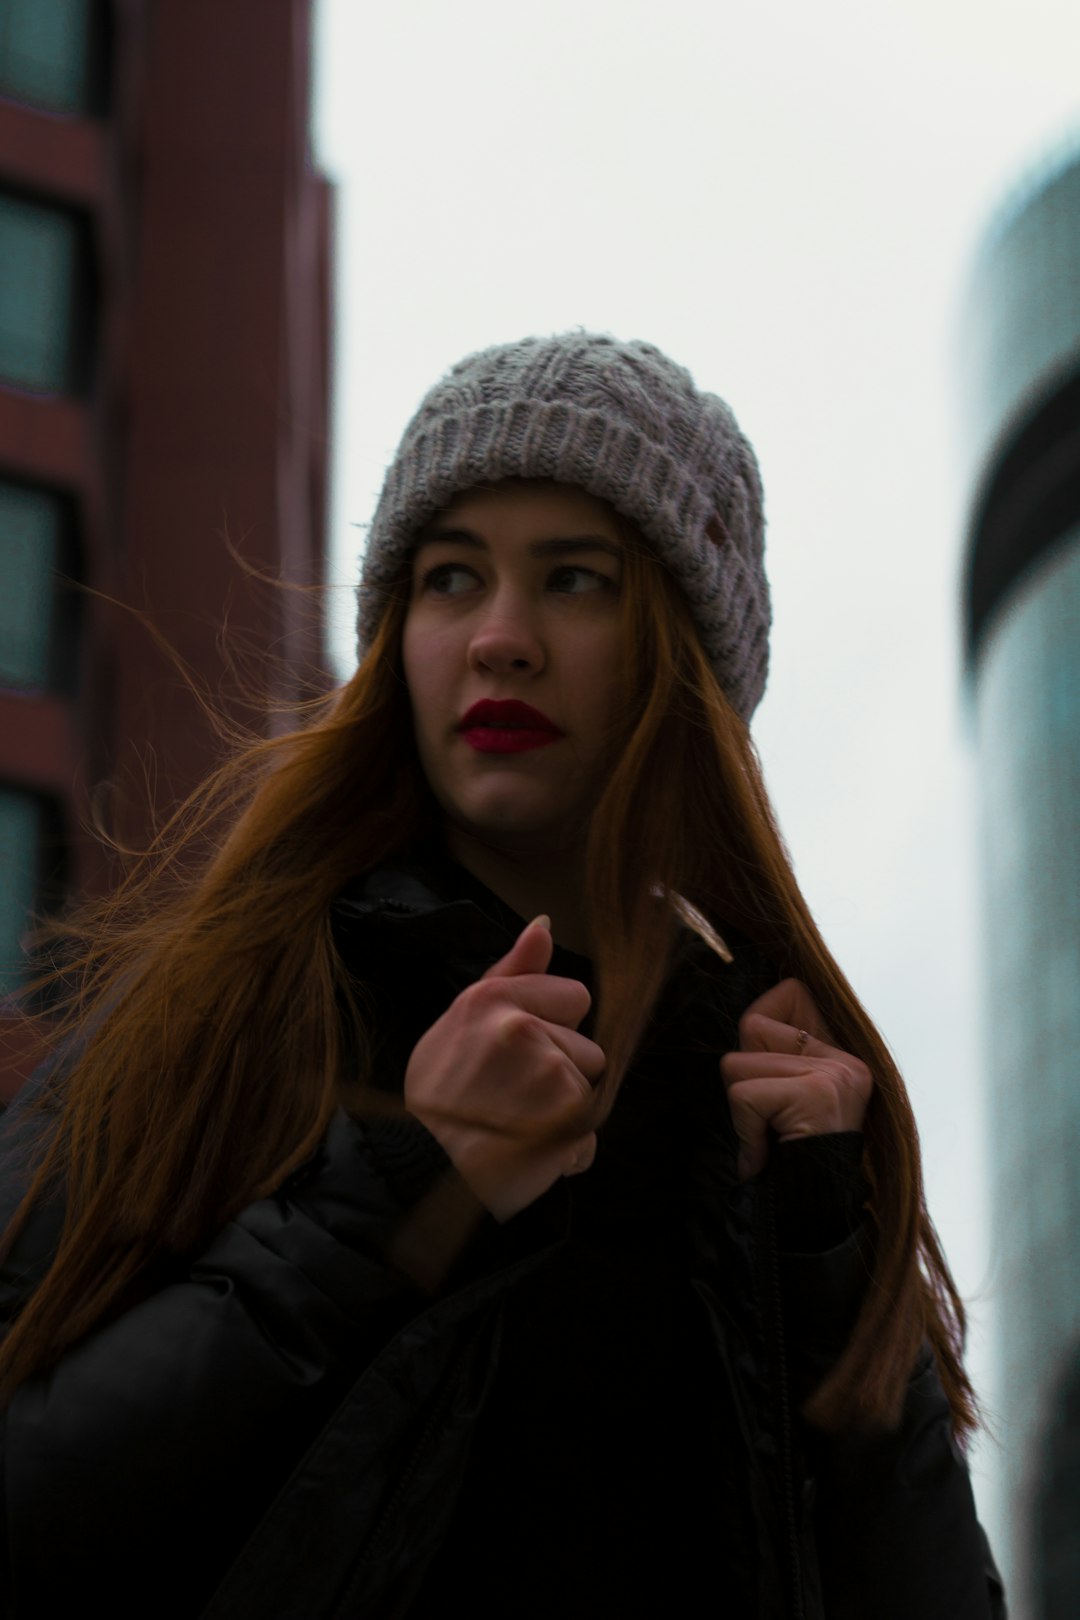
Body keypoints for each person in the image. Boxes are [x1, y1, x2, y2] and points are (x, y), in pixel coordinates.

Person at [0, 333, 1005, 1619]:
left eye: (576, 580)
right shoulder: (242, 1005)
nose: (500, 640)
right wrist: (387, 1203)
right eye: (450, 578)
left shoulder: (788, 1108)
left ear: (684, 657)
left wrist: (828, 1252)